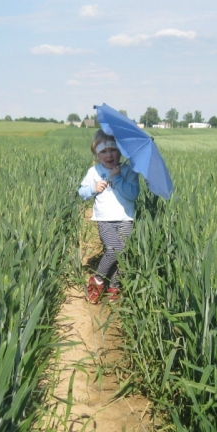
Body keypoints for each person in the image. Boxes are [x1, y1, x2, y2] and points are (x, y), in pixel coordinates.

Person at [78, 129, 140, 303]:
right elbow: (82, 193)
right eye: (103, 151)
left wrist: (118, 178)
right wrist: (93, 188)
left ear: (120, 151)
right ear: (97, 154)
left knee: (121, 252)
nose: (109, 155)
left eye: (113, 149)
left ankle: (114, 285)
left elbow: (132, 194)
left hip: (125, 218)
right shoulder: (94, 172)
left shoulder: (128, 171)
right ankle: (97, 280)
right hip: (104, 218)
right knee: (114, 250)